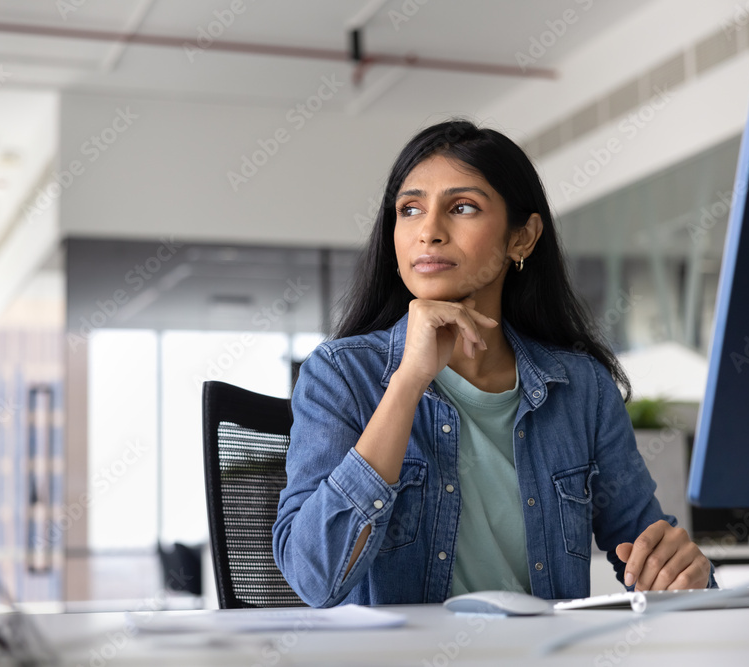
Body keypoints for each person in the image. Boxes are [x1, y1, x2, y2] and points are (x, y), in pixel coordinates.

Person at [272, 119, 715, 607]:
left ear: (522, 238)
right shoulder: (339, 376)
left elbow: (651, 553)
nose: (429, 232)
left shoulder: (583, 388)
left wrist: (681, 571)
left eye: (461, 207)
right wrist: (407, 382)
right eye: (410, 209)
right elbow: (314, 578)